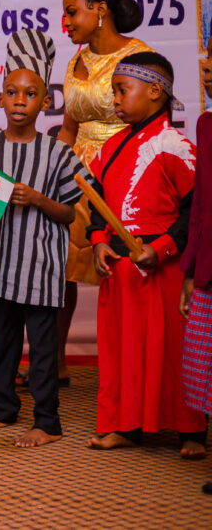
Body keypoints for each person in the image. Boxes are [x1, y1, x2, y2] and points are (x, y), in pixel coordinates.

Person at [0, 29, 87, 448]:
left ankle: (47, 421)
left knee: (42, 346)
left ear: (46, 102)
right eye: (12, 93)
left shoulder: (58, 152)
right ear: (0, 99)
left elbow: (70, 213)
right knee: (3, 340)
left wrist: (37, 199)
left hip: (40, 266)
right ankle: (4, 408)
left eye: (30, 94)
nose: (20, 101)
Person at [85, 52, 207, 457]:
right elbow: (96, 202)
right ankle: (126, 426)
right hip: (120, 269)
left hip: (163, 268)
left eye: (122, 90)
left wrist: (163, 247)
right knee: (122, 352)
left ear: (155, 91)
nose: (115, 99)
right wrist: (99, 240)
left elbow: (195, 211)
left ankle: (191, 431)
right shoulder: (110, 147)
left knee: (175, 350)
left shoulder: (177, 146)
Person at [54, 0, 149, 387]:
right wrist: (53, 170)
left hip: (126, 175)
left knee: (127, 268)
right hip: (77, 178)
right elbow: (68, 128)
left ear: (100, 10)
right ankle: (54, 365)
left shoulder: (139, 56)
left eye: (72, 12)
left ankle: (134, 368)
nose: (66, 22)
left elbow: (151, 125)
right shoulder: (75, 61)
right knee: (61, 271)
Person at [182, 37, 212, 494]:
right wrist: (189, 271)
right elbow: (201, 208)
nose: (207, 70)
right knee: (202, 368)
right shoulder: (205, 125)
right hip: (209, 268)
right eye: (208, 61)